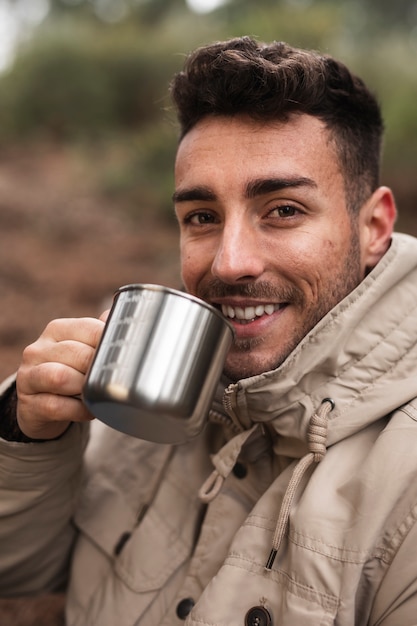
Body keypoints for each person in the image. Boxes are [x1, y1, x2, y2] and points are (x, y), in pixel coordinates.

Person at [0, 35, 417, 626]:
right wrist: (28, 437)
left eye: (283, 210)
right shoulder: (145, 391)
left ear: (373, 226)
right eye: (201, 217)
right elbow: (17, 571)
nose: (228, 262)